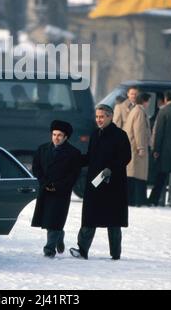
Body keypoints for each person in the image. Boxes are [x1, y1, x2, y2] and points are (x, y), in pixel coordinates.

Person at [70, 104, 131, 260]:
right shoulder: (95, 134)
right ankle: (82, 250)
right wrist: (74, 159)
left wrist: (111, 169)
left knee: (113, 221)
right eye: (97, 117)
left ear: (110, 117)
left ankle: (116, 254)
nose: (99, 120)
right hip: (95, 184)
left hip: (113, 185)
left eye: (102, 117)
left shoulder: (120, 135)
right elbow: (91, 157)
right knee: (89, 218)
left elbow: (125, 157)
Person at [31, 120, 82, 258]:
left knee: (54, 220)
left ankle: (49, 249)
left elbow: (73, 175)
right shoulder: (42, 149)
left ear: (66, 137)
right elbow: (36, 168)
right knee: (48, 220)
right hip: (45, 189)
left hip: (61, 192)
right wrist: (44, 183)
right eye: (54, 134)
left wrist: (57, 186)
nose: (56, 137)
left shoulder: (73, 153)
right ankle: (59, 235)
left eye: (59, 135)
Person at [148, 91, 171, 207]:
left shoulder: (163, 112)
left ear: (166, 98)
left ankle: (154, 200)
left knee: (160, 178)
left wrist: (156, 150)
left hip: (165, 152)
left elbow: (159, 132)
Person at [125, 93, 151, 207]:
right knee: (136, 175)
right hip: (136, 148)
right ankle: (136, 200)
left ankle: (131, 200)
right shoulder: (140, 112)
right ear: (145, 101)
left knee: (132, 174)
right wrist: (141, 147)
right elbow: (139, 130)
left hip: (131, 147)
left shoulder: (135, 110)